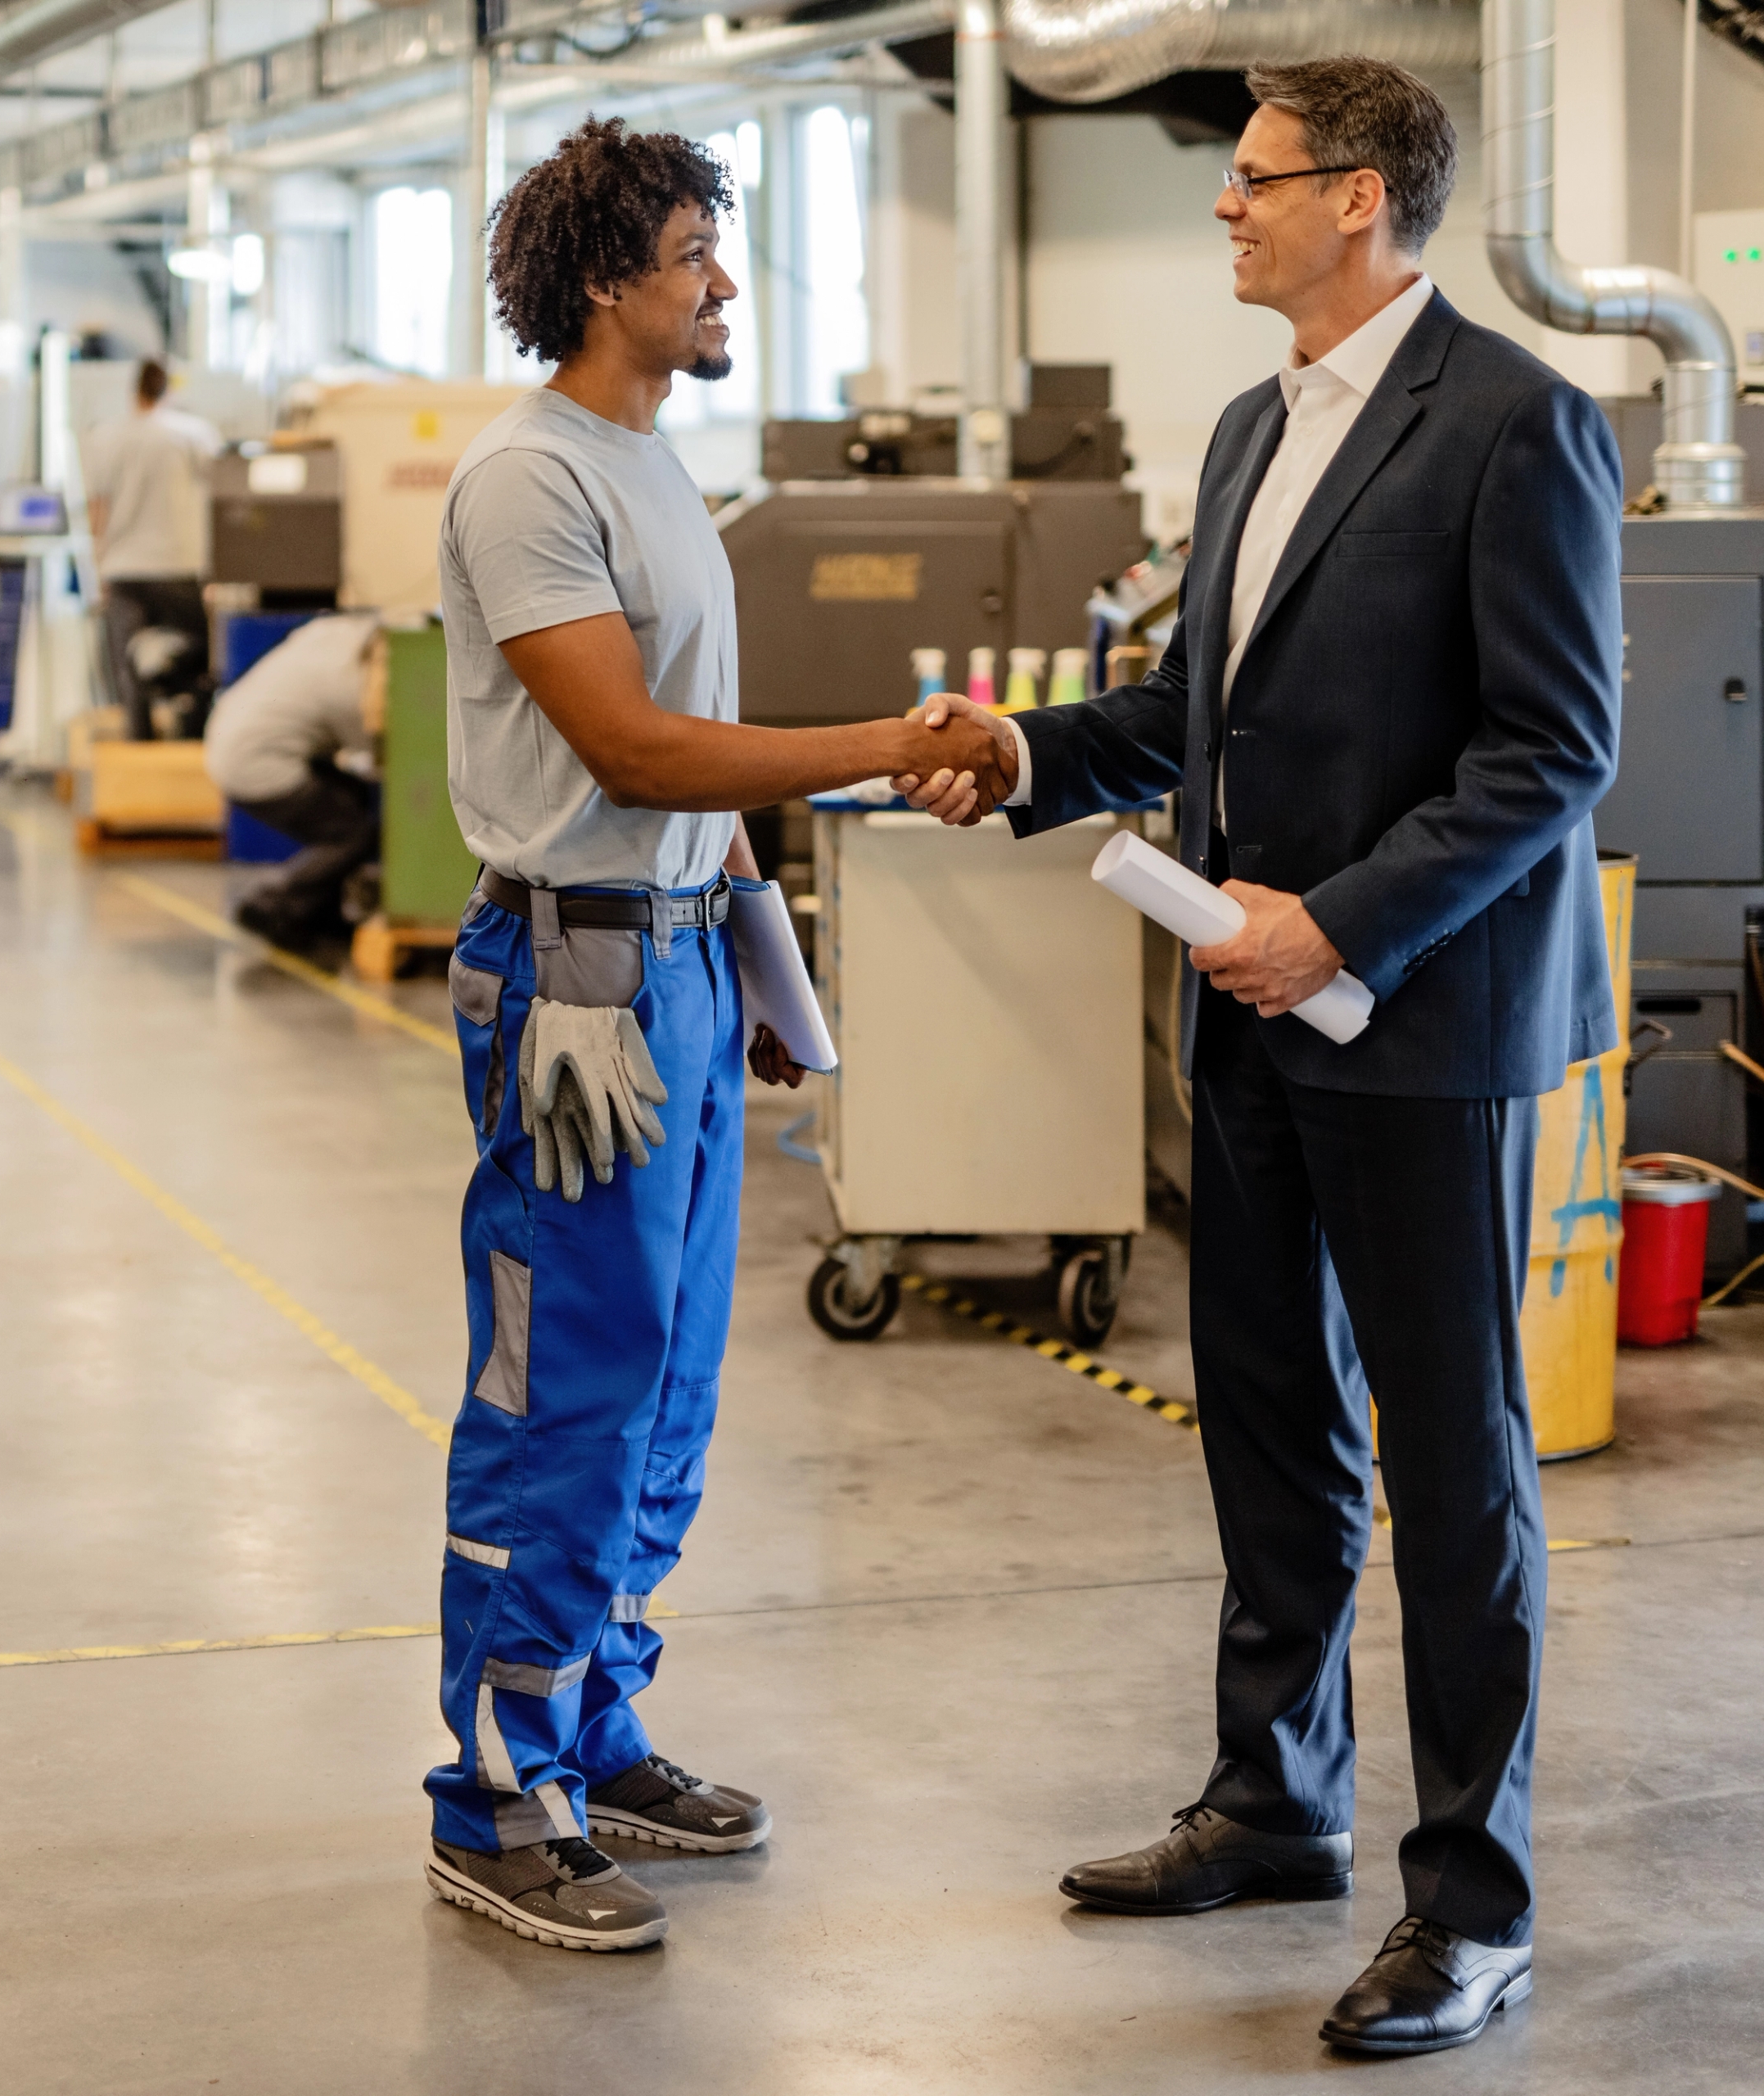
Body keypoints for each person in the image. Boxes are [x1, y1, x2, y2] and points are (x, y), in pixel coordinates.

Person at [900, 59, 1621, 2055]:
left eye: (1253, 180)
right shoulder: (1244, 429)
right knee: (1265, 1420)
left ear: (1364, 199)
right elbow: (1201, 710)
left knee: (1452, 1466)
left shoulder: (1513, 422)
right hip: (1243, 1012)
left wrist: (1342, 921)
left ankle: (1468, 1900)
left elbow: (1548, 751)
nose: (1223, 209)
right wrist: (1034, 752)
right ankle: (1271, 1799)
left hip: (1415, 1020)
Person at [423, 116, 1008, 1954]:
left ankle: (593, 1724)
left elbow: (704, 764)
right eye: (696, 254)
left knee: (667, 1394)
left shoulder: (657, 467)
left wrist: (761, 963)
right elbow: (637, 751)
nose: (725, 282)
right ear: (611, 280)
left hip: (674, 962)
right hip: (575, 982)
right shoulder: (530, 482)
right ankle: (496, 1791)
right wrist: (890, 744)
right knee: (563, 1387)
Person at [203, 612, 381, 952]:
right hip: (253, 763)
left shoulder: (333, 633)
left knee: (352, 799)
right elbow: (389, 761)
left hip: (229, 739)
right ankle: (273, 902)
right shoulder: (348, 685)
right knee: (353, 832)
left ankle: (320, 918)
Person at [83, 359, 222, 739]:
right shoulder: (195, 435)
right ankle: (192, 730)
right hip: (180, 566)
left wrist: (100, 568)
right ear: (169, 391)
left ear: (135, 392)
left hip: (125, 568)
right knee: (197, 656)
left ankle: (138, 737)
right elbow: (222, 498)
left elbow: (98, 509)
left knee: (127, 667)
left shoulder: (109, 437)